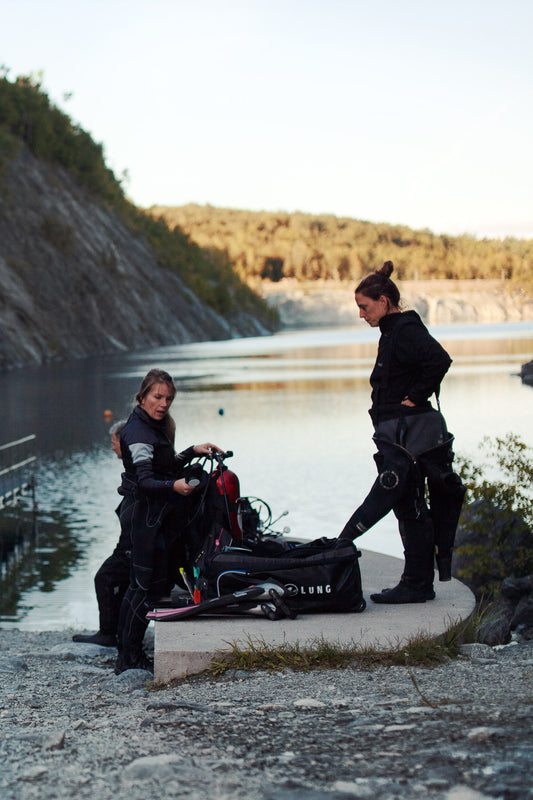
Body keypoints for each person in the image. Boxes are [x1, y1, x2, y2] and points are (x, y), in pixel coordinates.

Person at [336, 261, 464, 604]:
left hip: (407, 437)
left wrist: (416, 396)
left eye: (364, 307)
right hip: (399, 435)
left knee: (408, 506)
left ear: (383, 300)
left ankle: (416, 583)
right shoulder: (394, 330)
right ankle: (416, 582)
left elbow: (440, 359)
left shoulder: (405, 329)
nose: (361, 314)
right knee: (408, 506)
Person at [114, 368, 223, 674]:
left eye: (169, 399)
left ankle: (128, 654)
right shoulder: (137, 433)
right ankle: (128, 659)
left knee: (142, 585)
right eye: (157, 397)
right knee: (141, 586)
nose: (163, 404)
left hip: (150, 514)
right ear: (143, 396)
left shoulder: (154, 425)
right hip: (142, 515)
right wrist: (174, 487)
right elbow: (147, 480)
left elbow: (164, 466)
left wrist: (191, 452)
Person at [72, 420, 131, 647]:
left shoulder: (136, 466)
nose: (112, 447)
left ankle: (108, 633)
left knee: (104, 577)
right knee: (118, 580)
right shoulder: (135, 466)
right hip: (129, 543)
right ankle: (117, 631)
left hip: (131, 546)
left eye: (114, 442)